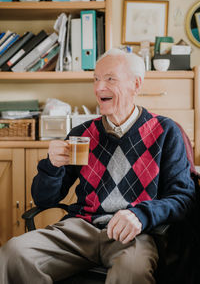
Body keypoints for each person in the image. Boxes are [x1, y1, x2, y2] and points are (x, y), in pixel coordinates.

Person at [0, 48, 196, 284]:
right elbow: (44, 199)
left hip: (134, 234)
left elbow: (184, 197)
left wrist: (141, 215)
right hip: (81, 228)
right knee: (14, 253)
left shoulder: (165, 131)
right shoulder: (81, 134)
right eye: (96, 79)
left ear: (136, 84)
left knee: (131, 272)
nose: (98, 87)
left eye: (110, 79)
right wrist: (51, 166)